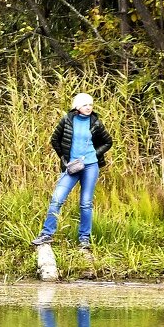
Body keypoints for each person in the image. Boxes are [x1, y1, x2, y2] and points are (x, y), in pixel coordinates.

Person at [31, 92, 113, 250]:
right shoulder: (67, 120)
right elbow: (54, 139)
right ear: (77, 107)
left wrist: (93, 154)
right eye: (85, 105)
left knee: (86, 203)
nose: (88, 107)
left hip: (90, 167)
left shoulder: (95, 122)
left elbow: (108, 142)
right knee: (57, 198)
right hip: (72, 167)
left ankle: (84, 239)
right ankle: (46, 234)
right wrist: (64, 158)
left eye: (90, 104)